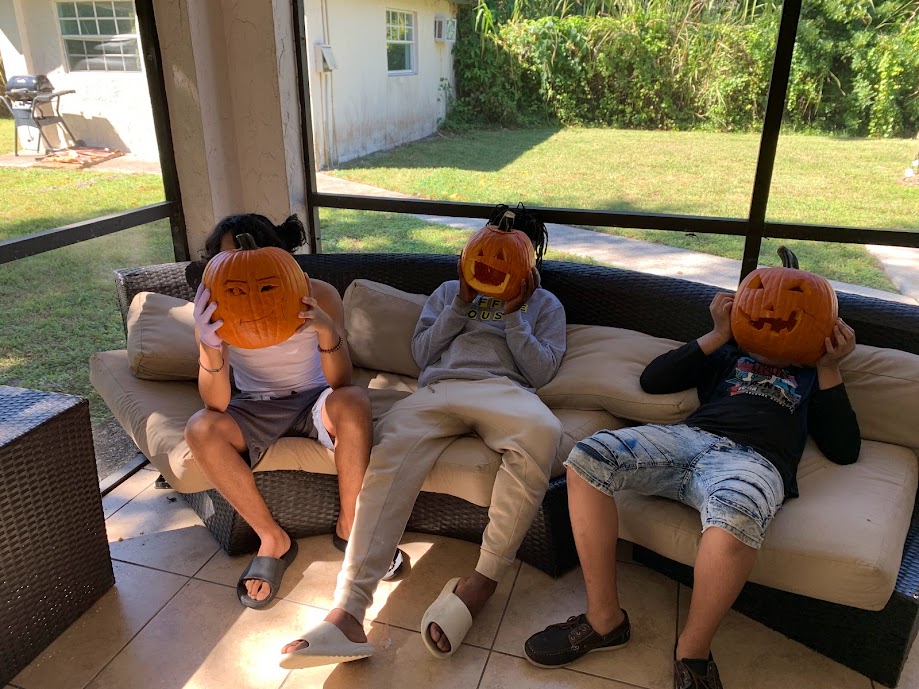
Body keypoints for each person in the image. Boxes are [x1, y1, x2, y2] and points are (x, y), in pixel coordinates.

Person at [523, 291, 861, 689]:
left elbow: (844, 449)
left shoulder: (812, 376)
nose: (771, 311)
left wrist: (829, 366)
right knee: (587, 457)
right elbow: (653, 380)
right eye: (760, 298)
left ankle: (693, 652)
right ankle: (604, 621)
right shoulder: (729, 354)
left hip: (754, 461)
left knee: (737, 517)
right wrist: (719, 333)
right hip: (687, 439)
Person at [279, 209, 567, 665]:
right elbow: (422, 354)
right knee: (388, 456)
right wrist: (461, 303)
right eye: (488, 247)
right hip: (438, 390)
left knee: (544, 431)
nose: (496, 261)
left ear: (531, 262)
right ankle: (348, 612)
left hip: (505, 392)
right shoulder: (449, 292)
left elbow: (541, 372)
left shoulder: (545, 304)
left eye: (513, 252)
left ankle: (482, 581)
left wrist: (515, 314)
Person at [186, 213, 402, 610]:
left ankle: (351, 527)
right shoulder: (214, 307)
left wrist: (326, 330)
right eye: (230, 265)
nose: (246, 279)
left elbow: (341, 382)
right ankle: (272, 539)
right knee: (200, 427)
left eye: (260, 273)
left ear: (279, 258)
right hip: (254, 407)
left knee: (354, 399)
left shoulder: (319, 294)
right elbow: (215, 405)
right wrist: (208, 345)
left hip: (316, 399)